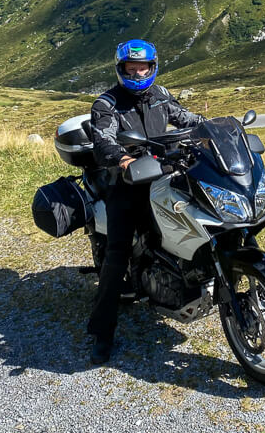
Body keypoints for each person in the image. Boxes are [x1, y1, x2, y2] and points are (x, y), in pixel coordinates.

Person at [86, 39, 202, 364]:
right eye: (131, 68)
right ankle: (102, 332)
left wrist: (213, 127)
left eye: (143, 67)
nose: (137, 73)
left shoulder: (161, 96)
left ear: (152, 68)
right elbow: (104, 139)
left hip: (164, 173)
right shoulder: (107, 104)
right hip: (126, 183)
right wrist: (122, 160)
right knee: (117, 255)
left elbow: (187, 119)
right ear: (121, 69)